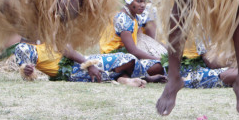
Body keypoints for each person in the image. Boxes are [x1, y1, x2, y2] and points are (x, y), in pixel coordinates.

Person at [10, 37, 164, 86]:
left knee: (152, 65)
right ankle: (129, 79)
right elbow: (26, 73)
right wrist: (27, 71)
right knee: (127, 59)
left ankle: (129, 78)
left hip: (83, 62)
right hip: (73, 72)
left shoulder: (46, 31)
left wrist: (89, 63)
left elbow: (66, 48)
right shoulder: (23, 48)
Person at [99, 0, 165, 77]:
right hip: (115, 57)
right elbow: (133, 50)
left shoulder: (135, 17)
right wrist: (156, 58)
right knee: (158, 66)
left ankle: (125, 76)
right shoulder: (122, 18)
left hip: (127, 57)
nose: (143, 5)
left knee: (159, 66)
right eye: (139, 1)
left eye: (145, 1)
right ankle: (120, 73)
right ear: (128, 0)